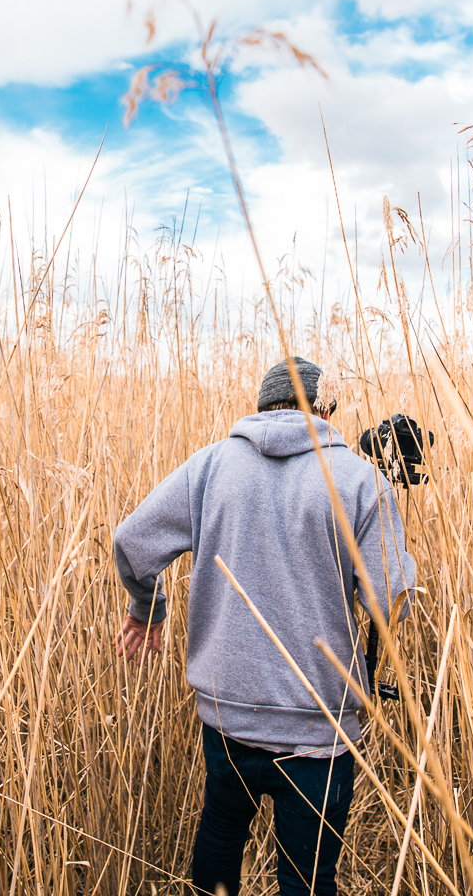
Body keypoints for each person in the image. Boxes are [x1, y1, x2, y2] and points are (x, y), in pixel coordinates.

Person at [111, 356, 417, 896]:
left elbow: (132, 543)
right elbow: (389, 604)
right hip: (318, 731)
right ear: (324, 410)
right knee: (307, 880)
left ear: (261, 407)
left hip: (228, 721)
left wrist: (147, 610)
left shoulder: (209, 467)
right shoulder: (357, 479)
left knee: (220, 839)